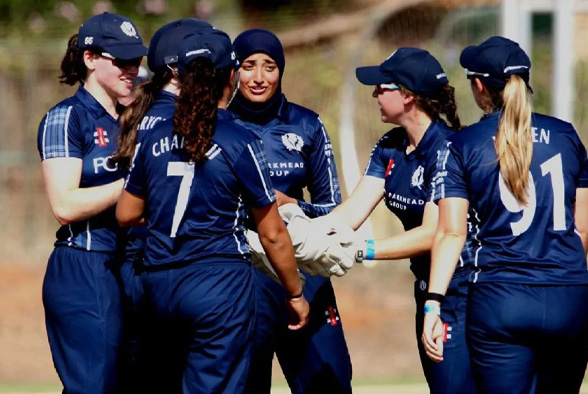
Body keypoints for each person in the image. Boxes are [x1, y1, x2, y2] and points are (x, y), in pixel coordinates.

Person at [115, 28, 309, 393]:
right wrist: (295, 294)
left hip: (158, 283)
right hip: (217, 285)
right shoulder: (238, 139)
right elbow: (272, 233)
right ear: (232, 75)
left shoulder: (154, 136)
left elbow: (126, 214)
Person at [422, 36, 588, 394]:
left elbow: (451, 233)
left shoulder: (464, 143)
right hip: (569, 298)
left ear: (480, 85)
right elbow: (584, 229)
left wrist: (433, 304)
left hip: (501, 299)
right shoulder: (565, 135)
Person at [320, 47, 476, 394]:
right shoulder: (390, 145)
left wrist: (360, 251)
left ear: (407, 96)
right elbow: (353, 212)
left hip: (462, 294)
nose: (374, 93)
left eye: (382, 87)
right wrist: (303, 235)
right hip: (428, 292)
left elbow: (433, 233)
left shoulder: (445, 149)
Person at [227, 28, 352, 394]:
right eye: (249, 66)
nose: (259, 77)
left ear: (281, 70)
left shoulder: (307, 124)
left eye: (269, 66)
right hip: (244, 278)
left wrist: (293, 204)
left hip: (306, 273)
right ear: (234, 71)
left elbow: (333, 208)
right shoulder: (220, 126)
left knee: (329, 385)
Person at [36, 12, 146, 393]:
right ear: (90, 59)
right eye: (121, 61)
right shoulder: (67, 118)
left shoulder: (136, 119)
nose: (132, 69)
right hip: (85, 266)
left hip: (134, 266)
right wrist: (133, 183)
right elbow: (64, 204)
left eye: (136, 60)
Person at [111, 18, 213, 391]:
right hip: (170, 266)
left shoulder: (141, 112)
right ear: (176, 69)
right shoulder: (181, 121)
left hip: (137, 263)